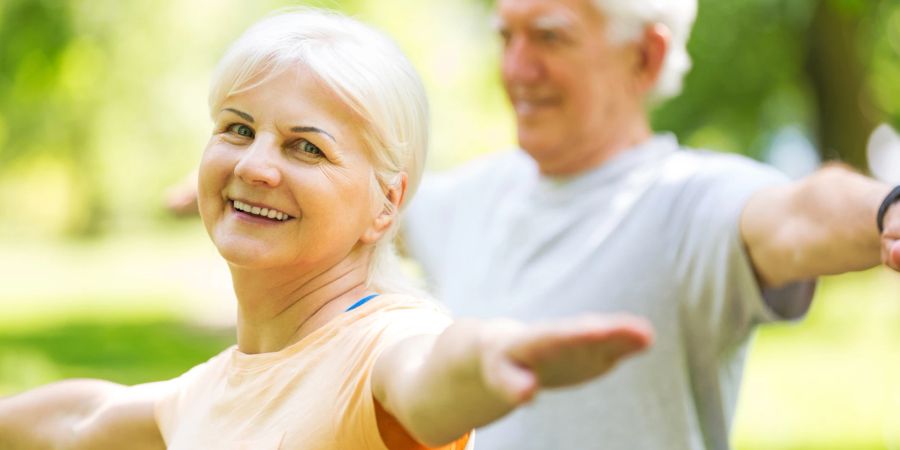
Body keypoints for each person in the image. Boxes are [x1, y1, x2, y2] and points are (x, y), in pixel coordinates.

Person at [0, 9, 656, 450]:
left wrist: (492, 358)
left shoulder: (383, 344)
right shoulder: (212, 389)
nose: (255, 165)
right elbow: (80, 418)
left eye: (306, 147)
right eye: (237, 128)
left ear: (386, 206)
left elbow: (429, 375)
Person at [401, 0, 900, 449]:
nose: (516, 68)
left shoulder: (686, 201)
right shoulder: (465, 196)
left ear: (645, 56)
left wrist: (889, 210)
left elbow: (800, 214)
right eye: (506, 37)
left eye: (551, 37)